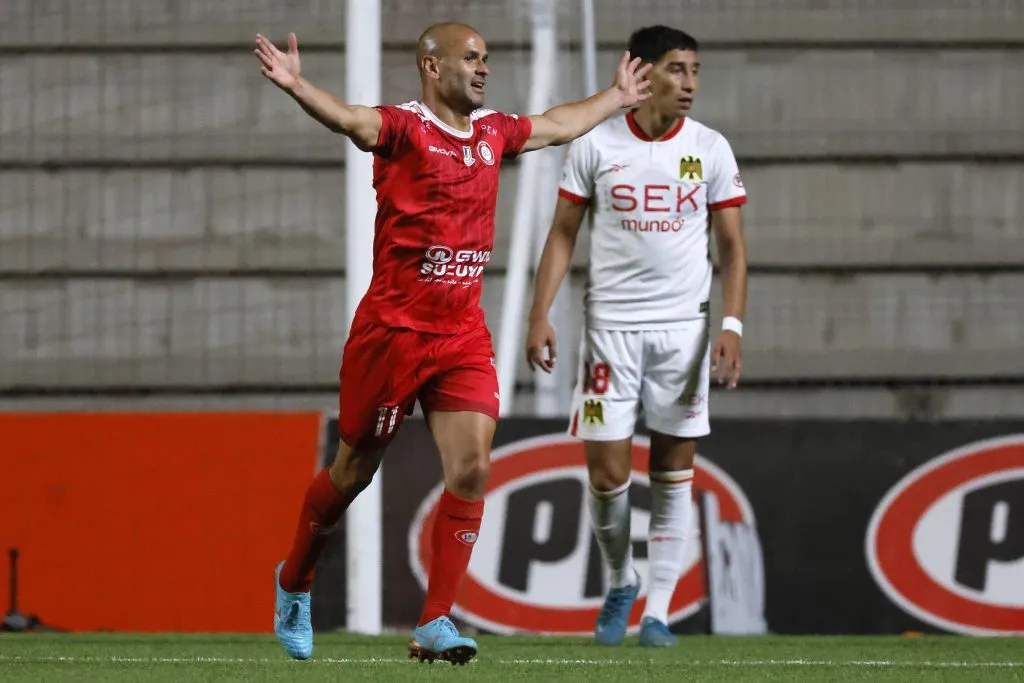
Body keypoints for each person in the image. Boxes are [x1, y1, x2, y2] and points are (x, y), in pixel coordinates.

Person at [253, 22, 651, 664]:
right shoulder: (406, 129)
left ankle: (436, 621)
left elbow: (555, 125)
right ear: (432, 68)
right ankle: (294, 580)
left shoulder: (493, 133)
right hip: (393, 333)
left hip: (461, 335)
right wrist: (301, 87)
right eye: (471, 58)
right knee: (353, 472)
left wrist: (613, 96)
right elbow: (354, 123)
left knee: (471, 468)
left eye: (487, 58)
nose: (483, 68)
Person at [525, 25, 748, 648]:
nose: (691, 84)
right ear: (644, 73)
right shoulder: (596, 144)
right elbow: (563, 233)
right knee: (606, 474)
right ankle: (621, 579)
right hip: (609, 333)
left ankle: (659, 610)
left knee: (675, 469)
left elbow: (732, 248)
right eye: (678, 70)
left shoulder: (710, 149)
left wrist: (730, 324)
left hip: (683, 334)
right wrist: (539, 312)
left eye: (696, 71)